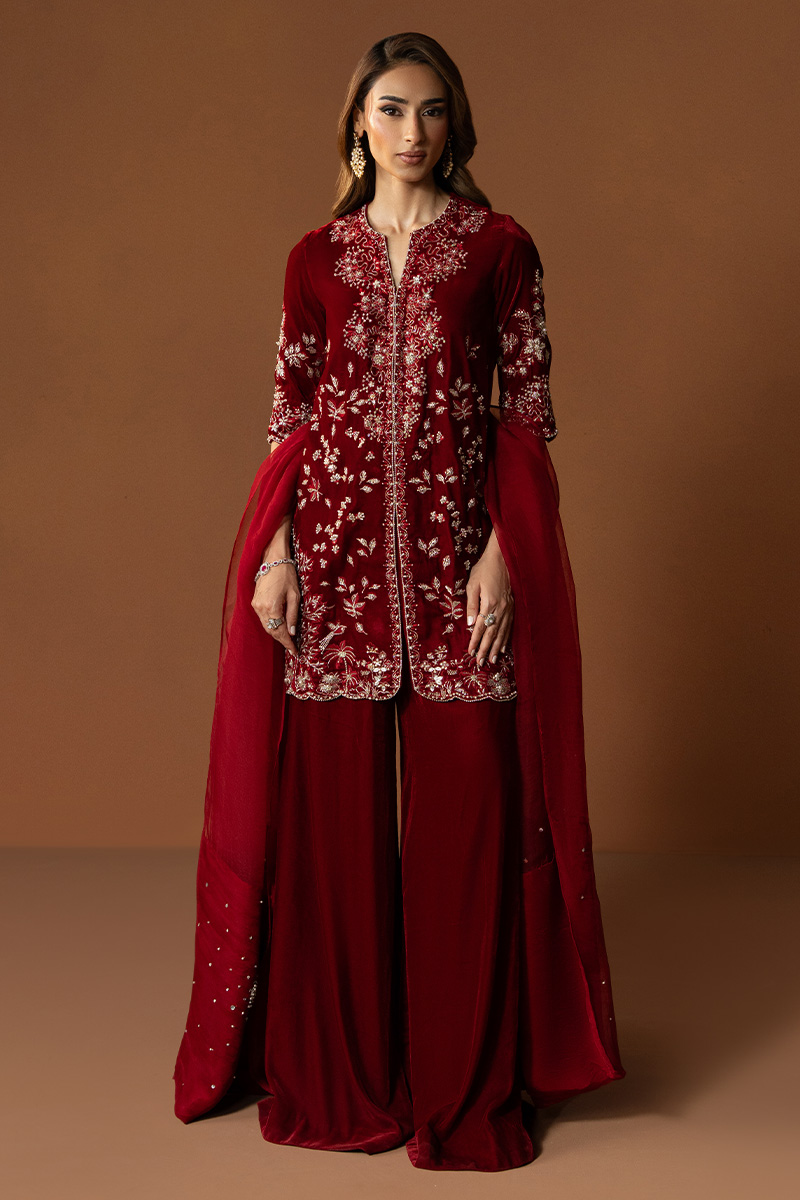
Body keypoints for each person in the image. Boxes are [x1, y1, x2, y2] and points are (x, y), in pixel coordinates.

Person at [173, 32, 626, 1173]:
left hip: (458, 572)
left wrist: (504, 556)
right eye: (389, 109)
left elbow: (525, 410)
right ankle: (344, 1079)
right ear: (356, 125)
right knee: (331, 841)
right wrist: (274, 555)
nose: (411, 130)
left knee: (469, 833)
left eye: (430, 110)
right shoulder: (314, 259)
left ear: (454, 123)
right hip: (330, 577)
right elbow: (290, 415)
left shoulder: (498, 248)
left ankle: (461, 1083)